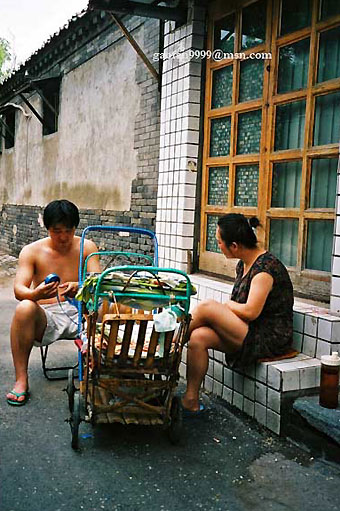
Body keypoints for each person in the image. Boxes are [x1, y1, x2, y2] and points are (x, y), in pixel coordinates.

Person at [182, 213, 294, 414]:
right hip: (249, 330)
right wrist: (228, 308)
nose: (218, 246)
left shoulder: (264, 270)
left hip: (267, 337)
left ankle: (171, 342)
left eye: (219, 242)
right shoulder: (243, 264)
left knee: (208, 307)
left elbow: (251, 311)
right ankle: (190, 399)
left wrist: (227, 306)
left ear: (234, 245)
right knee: (198, 338)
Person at [6, 199, 101, 406]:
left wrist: (81, 286)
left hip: (83, 312)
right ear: (47, 227)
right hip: (47, 314)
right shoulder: (32, 251)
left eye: (68, 230)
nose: (63, 237)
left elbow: (100, 282)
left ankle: (107, 374)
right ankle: (21, 379)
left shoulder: (87, 246)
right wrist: (37, 294)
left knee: (114, 304)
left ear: (76, 228)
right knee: (24, 307)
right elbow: (18, 290)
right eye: (57, 231)